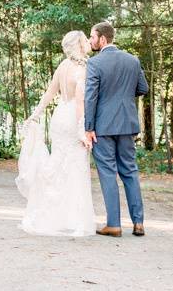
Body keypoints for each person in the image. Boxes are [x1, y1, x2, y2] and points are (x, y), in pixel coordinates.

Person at [16, 30, 95, 237]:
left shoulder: (62, 66)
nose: (88, 42)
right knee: (77, 166)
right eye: (85, 40)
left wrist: (35, 114)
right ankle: (77, 221)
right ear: (79, 45)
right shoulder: (83, 68)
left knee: (57, 163)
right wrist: (82, 130)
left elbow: (50, 92)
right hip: (73, 119)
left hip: (59, 117)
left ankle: (49, 215)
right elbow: (80, 102)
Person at [84, 21, 148, 237]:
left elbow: (90, 96)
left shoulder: (95, 63)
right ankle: (138, 223)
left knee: (108, 173)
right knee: (130, 171)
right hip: (127, 123)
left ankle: (114, 224)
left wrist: (88, 127)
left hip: (103, 125)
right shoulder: (133, 60)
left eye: (92, 37)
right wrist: (123, 98)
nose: (90, 41)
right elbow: (143, 88)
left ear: (102, 39)